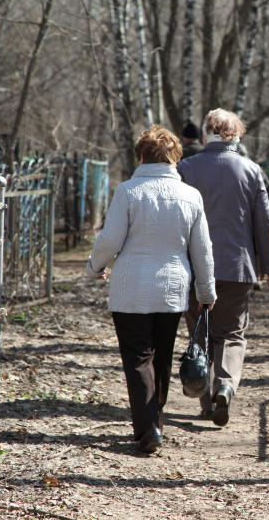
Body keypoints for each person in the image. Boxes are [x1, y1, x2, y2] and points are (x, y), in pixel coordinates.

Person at [86, 125, 216, 453]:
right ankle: (155, 423)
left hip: (131, 289)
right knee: (162, 358)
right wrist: (207, 292)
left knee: (138, 358)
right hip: (172, 290)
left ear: (141, 156)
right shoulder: (190, 196)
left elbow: (110, 239)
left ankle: (147, 430)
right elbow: (203, 249)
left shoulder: (128, 192)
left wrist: (95, 266)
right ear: (174, 156)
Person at [178, 108, 269, 427]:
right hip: (237, 266)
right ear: (236, 135)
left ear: (206, 134)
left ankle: (207, 403)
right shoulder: (251, 170)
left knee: (200, 330)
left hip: (193, 267)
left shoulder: (186, 168)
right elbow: (266, 219)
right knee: (232, 333)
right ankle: (225, 385)